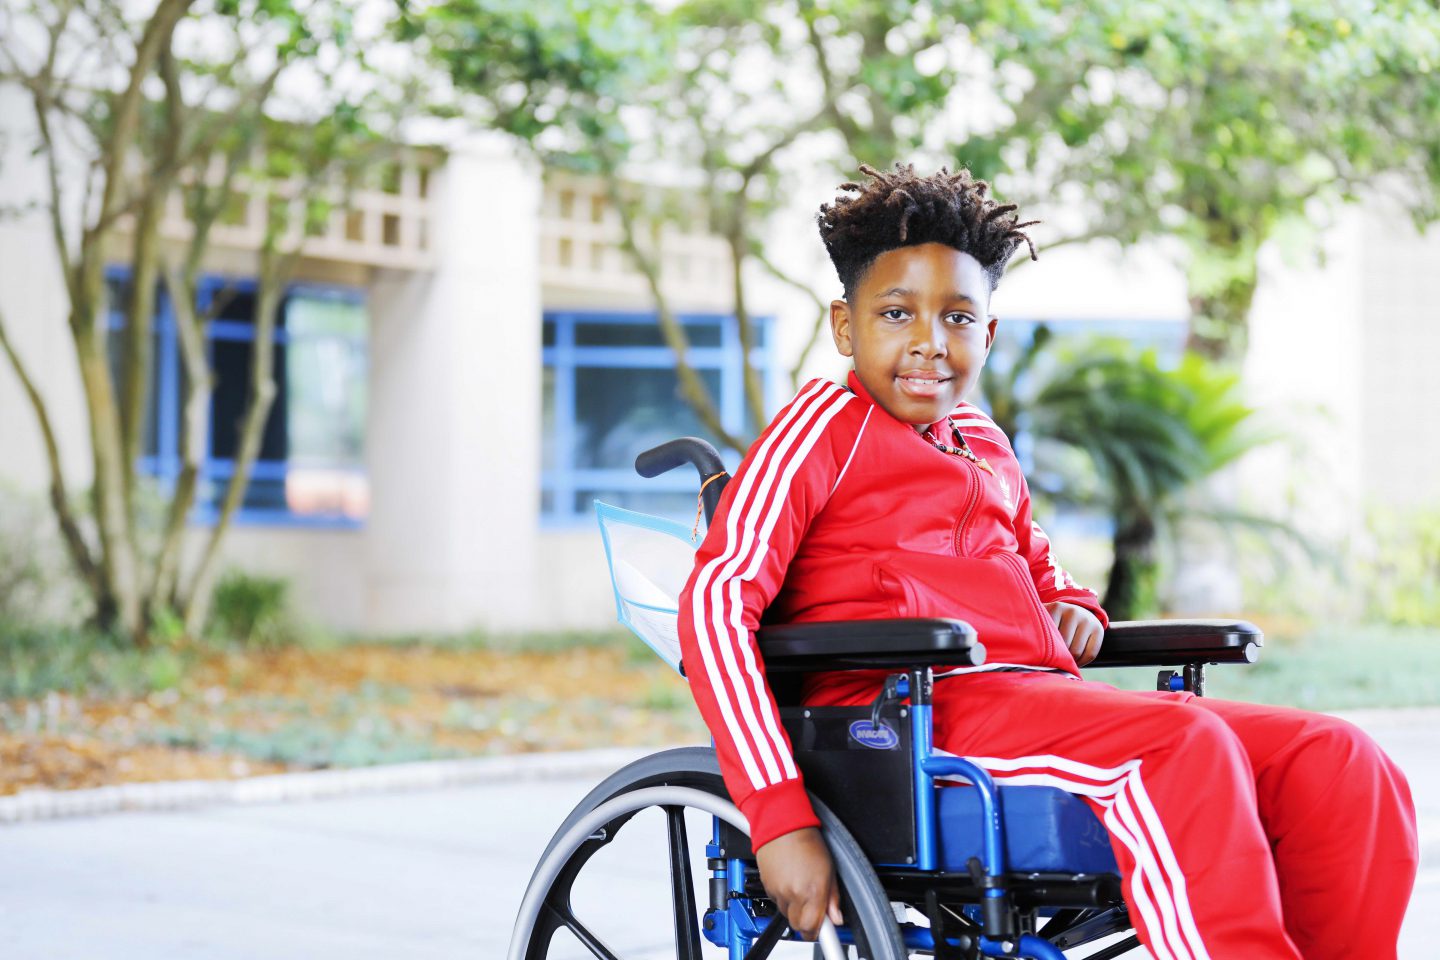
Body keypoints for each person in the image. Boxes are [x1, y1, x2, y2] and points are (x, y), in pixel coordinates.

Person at [676, 163, 1418, 959]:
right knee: (1181, 749)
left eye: (958, 318)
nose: (930, 341)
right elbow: (714, 607)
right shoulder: (821, 427)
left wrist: (1075, 607)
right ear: (846, 328)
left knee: (1340, 761)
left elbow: (1040, 573)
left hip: (1036, 702)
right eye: (897, 313)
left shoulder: (987, 445)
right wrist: (778, 813)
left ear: (987, 335)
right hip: (904, 721)